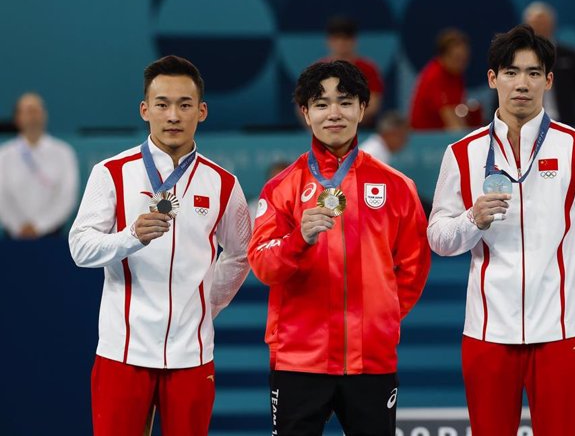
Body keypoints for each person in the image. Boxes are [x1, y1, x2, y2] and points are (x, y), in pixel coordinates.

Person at [427, 25, 575, 435]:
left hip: (559, 329)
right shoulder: (461, 154)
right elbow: (439, 239)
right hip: (487, 330)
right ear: (492, 78)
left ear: (549, 81)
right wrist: (472, 220)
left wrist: (561, 276)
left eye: (534, 73)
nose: (522, 83)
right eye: (512, 72)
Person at [68, 55, 251, 436]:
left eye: (184, 105)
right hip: (123, 351)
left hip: (193, 354)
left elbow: (240, 253)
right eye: (162, 104)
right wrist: (130, 237)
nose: (173, 115)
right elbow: (80, 248)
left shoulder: (223, 183)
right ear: (144, 109)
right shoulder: (111, 173)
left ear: (201, 111)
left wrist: (208, 303)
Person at [248, 60, 430, 435]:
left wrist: (381, 320)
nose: (334, 113)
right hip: (300, 361)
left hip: (372, 362)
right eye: (321, 104)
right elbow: (263, 266)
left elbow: (413, 267)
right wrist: (299, 239)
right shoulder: (282, 188)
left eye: (345, 102)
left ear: (363, 109)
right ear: (305, 114)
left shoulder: (397, 187)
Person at [0, 92, 79, 239]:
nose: (33, 115)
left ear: (45, 115)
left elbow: (66, 197)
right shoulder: (4, 155)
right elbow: (2, 197)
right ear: (17, 118)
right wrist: (18, 226)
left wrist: (40, 226)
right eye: (28, 110)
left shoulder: (63, 152)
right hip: (13, 237)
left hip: (52, 236)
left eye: (37, 110)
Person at [524, 1, 575, 126]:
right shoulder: (517, 58)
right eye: (535, 24)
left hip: (565, 123)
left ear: (552, 25)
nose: (539, 28)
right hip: (527, 124)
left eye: (543, 23)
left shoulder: (569, 56)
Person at [323, 16, 384, 126]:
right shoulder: (318, 70)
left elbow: (373, 104)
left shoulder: (368, 69)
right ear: (329, 41)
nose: (341, 42)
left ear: (354, 40)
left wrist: (347, 123)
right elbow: (302, 105)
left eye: (346, 38)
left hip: (362, 131)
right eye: (337, 38)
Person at [409, 28, 471, 131]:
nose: (462, 64)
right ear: (443, 56)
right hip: (425, 140)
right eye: (457, 58)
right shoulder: (435, 76)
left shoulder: (456, 74)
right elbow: (451, 121)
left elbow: (458, 113)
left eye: (464, 59)